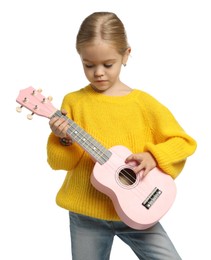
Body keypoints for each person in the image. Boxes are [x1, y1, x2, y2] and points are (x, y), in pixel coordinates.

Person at [47, 11, 197, 260]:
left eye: (108, 64)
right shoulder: (73, 102)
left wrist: (154, 157)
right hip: (88, 216)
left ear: (126, 55)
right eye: (89, 65)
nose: (98, 73)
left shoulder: (143, 104)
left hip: (140, 209)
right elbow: (58, 162)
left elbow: (184, 142)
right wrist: (62, 139)